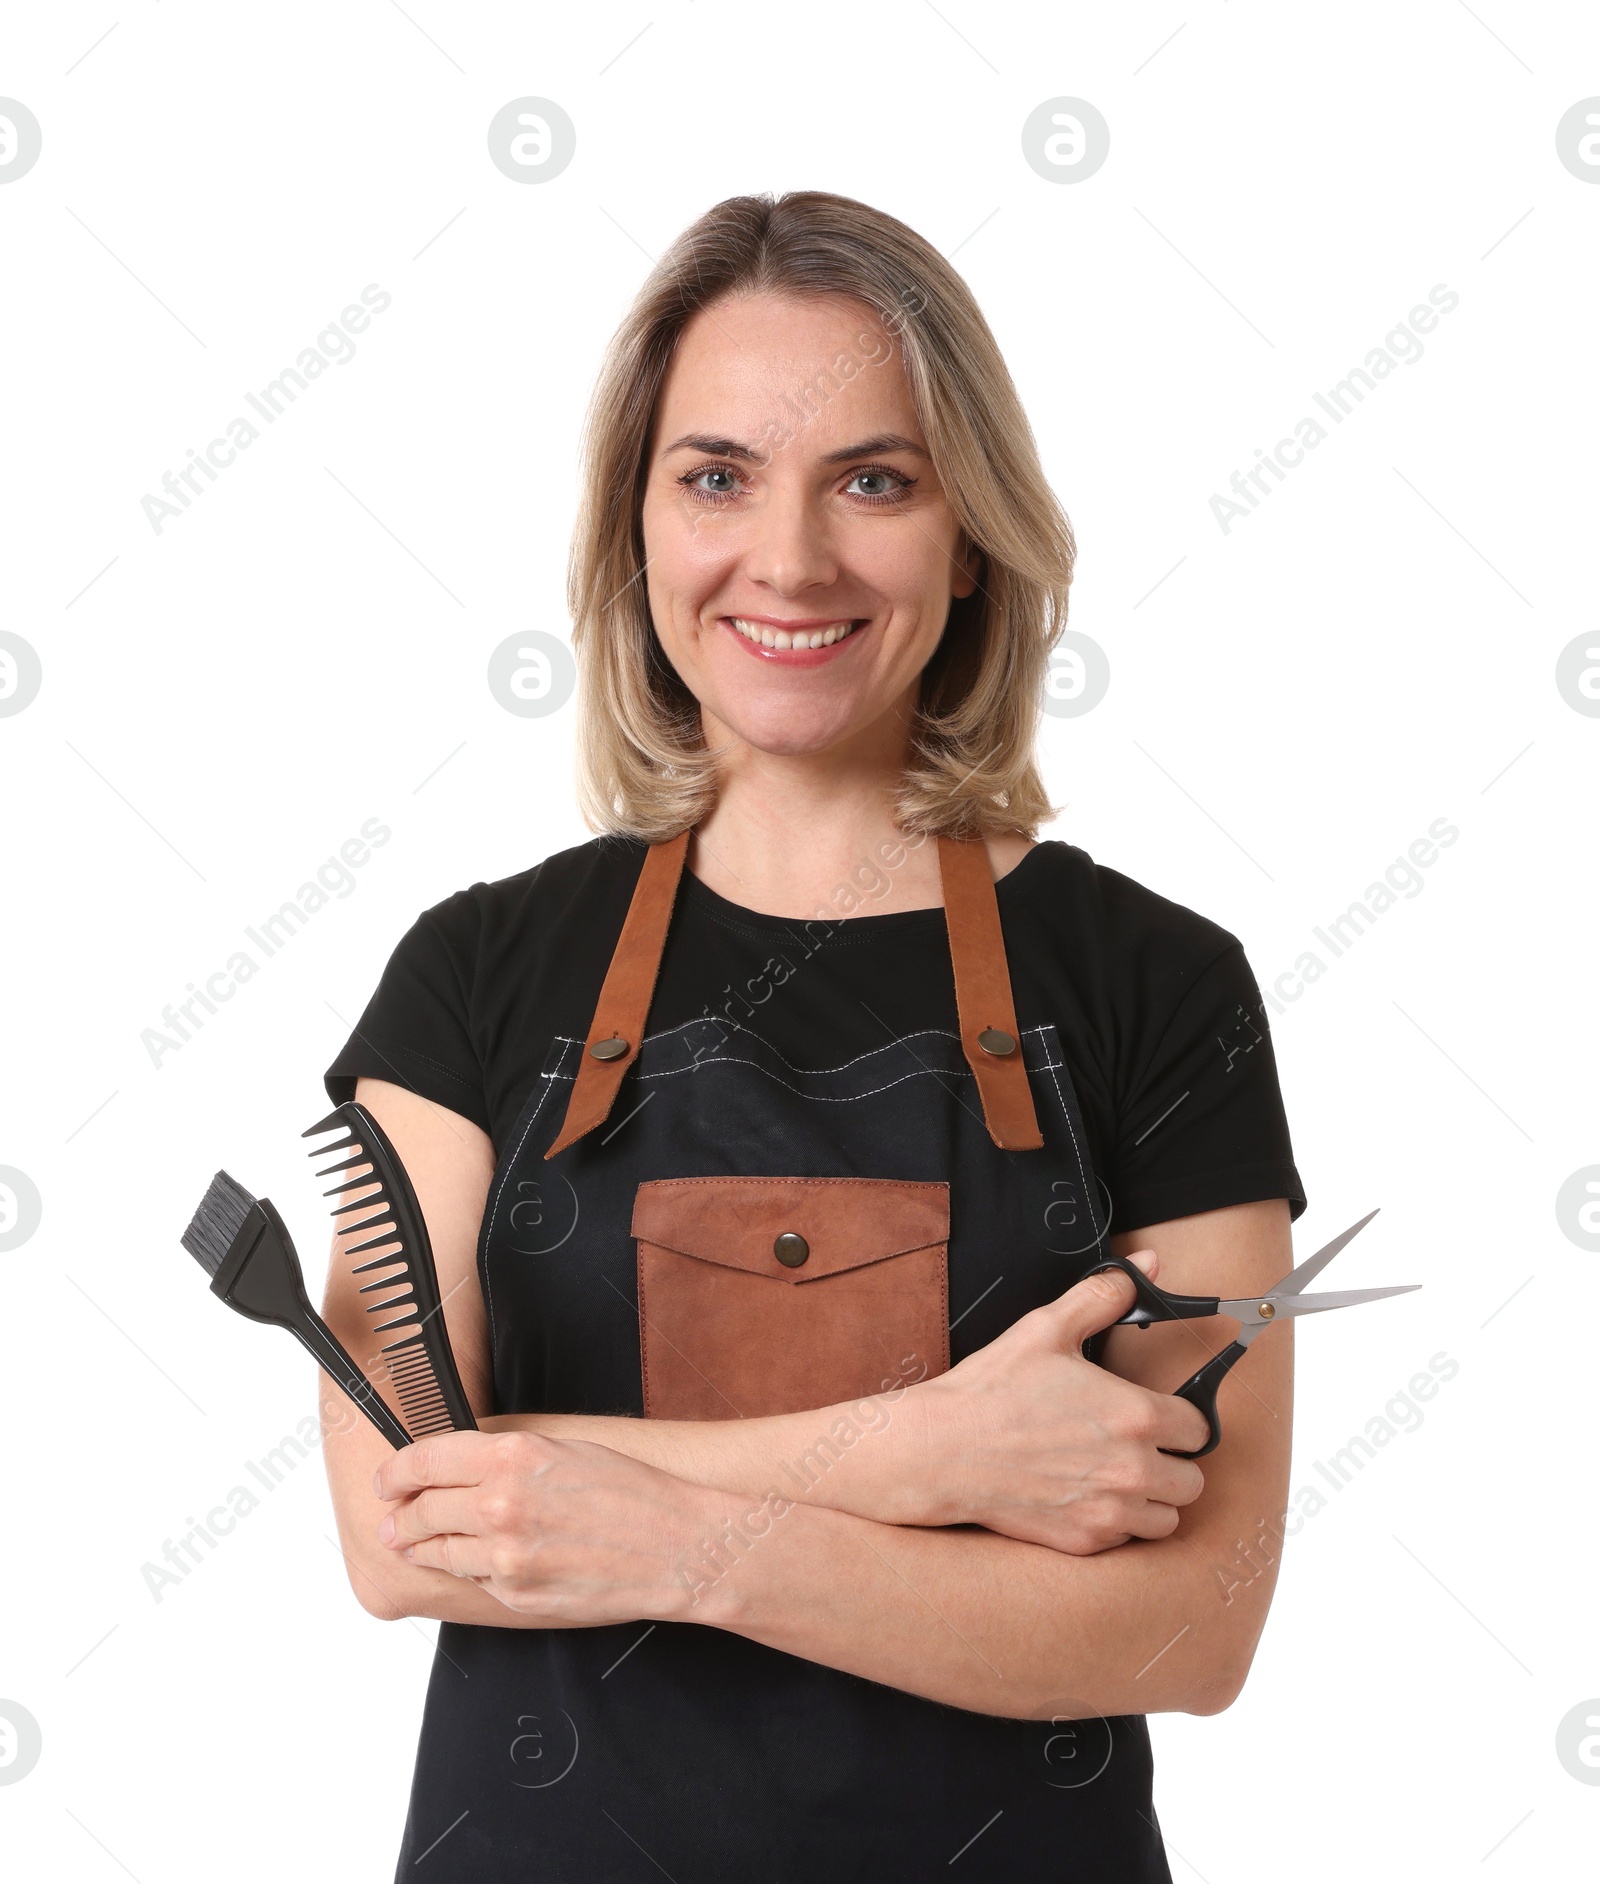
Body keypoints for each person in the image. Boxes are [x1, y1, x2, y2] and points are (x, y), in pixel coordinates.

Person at [319, 190, 1306, 1883]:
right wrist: (921, 1458)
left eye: (875, 478)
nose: (790, 560)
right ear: (636, 525)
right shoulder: (470, 976)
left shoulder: (1161, 984)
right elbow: (404, 1532)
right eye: (716, 477)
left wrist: (677, 1538)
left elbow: (1187, 1632)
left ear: (969, 526)